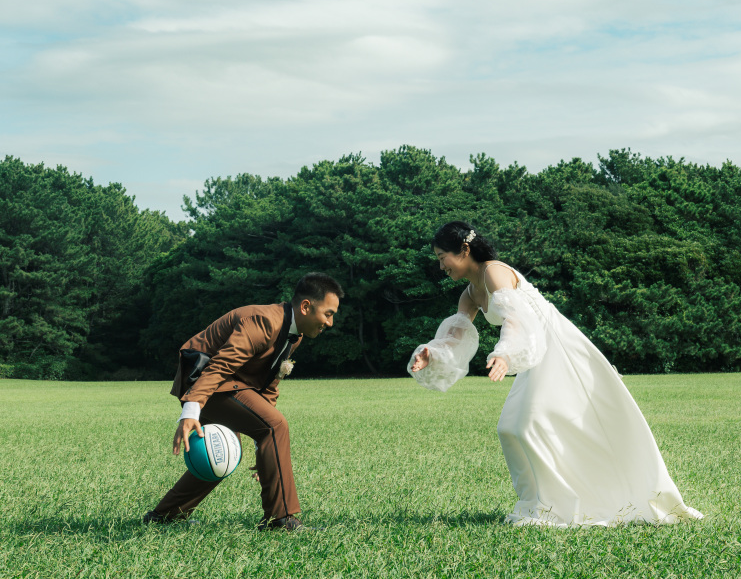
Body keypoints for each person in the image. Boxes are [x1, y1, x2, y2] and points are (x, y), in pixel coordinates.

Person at [409, 222, 701, 528]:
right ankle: (538, 504)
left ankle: (558, 509)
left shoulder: (494, 271)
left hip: (555, 345)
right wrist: (433, 352)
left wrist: (505, 353)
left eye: (442, 257)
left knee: (529, 425)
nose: (441, 266)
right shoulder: (469, 294)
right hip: (535, 351)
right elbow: (456, 335)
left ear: (464, 250)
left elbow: (515, 319)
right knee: (509, 428)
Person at [143, 272, 344, 532]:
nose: (330, 322)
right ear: (306, 306)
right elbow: (221, 365)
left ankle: (165, 516)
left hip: (227, 383)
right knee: (275, 426)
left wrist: (268, 452)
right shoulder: (264, 321)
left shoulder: (295, 334)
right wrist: (191, 410)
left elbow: (269, 384)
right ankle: (281, 520)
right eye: (328, 314)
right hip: (203, 378)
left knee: (223, 453)